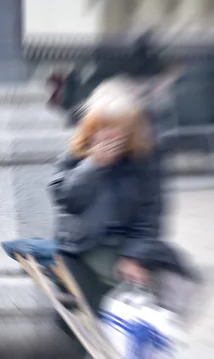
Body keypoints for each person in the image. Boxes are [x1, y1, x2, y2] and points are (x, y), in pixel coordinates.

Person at [49, 78, 164, 318]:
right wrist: (93, 166)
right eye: (101, 126)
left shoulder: (143, 162)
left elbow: (149, 217)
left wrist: (134, 256)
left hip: (125, 244)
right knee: (115, 294)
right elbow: (66, 199)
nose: (109, 134)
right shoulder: (77, 154)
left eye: (117, 126)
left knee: (166, 283)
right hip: (82, 244)